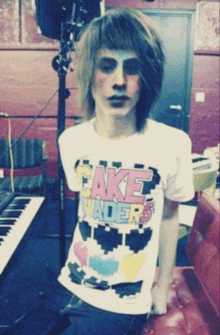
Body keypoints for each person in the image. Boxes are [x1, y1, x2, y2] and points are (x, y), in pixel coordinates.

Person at [58, 7, 194, 335]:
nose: (118, 82)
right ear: (90, 72)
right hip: (70, 283)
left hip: (122, 302)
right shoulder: (71, 141)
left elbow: (169, 215)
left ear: (146, 77)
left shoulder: (172, 143)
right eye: (106, 66)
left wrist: (162, 286)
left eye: (131, 69)